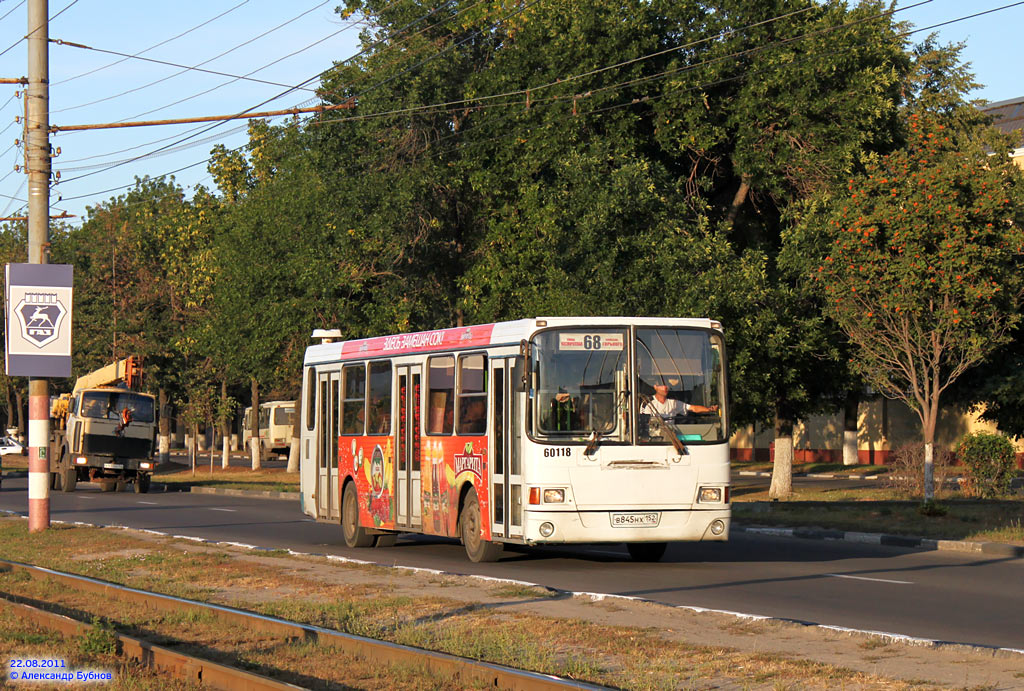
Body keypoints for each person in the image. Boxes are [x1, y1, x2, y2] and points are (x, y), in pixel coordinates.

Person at [641, 384, 718, 421]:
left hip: (672, 437)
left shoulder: (673, 402)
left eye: (666, 385)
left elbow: (693, 408)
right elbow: (644, 423)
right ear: (655, 387)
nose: (665, 388)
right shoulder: (647, 403)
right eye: (661, 385)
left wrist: (709, 409)